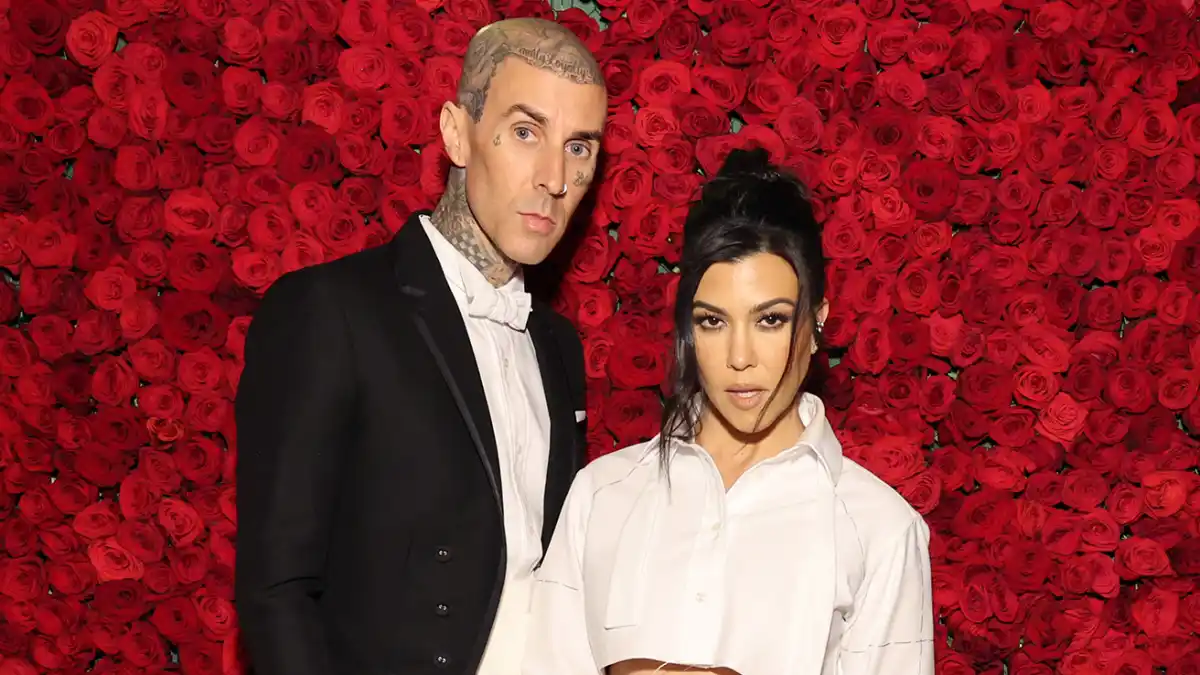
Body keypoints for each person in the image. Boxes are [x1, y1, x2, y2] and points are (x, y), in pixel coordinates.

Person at [234, 18, 607, 675]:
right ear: (457, 133)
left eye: (579, 147)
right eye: (526, 132)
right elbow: (277, 590)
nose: (555, 177)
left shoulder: (556, 347)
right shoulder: (333, 311)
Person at [523, 148, 935, 675]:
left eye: (770, 320)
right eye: (713, 322)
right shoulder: (602, 494)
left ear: (817, 323)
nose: (740, 358)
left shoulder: (880, 529)